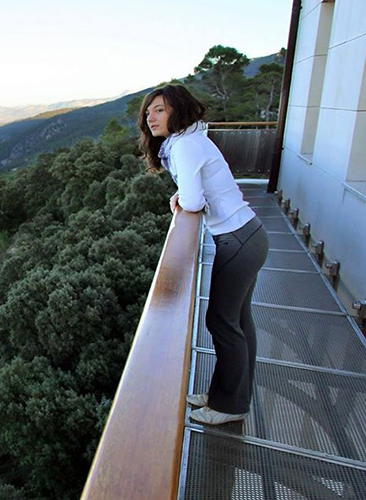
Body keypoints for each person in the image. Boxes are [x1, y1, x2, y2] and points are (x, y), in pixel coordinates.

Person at [138, 84, 269, 425]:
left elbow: (194, 201)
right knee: (238, 321)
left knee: (222, 322)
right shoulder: (190, 141)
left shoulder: (184, 146)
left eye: (160, 110)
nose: (151, 117)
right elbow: (196, 193)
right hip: (247, 235)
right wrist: (184, 194)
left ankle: (231, 406)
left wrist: (182, 197)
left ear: (177, 112)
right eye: (149, 111)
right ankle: (226, 394)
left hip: (237, 240)